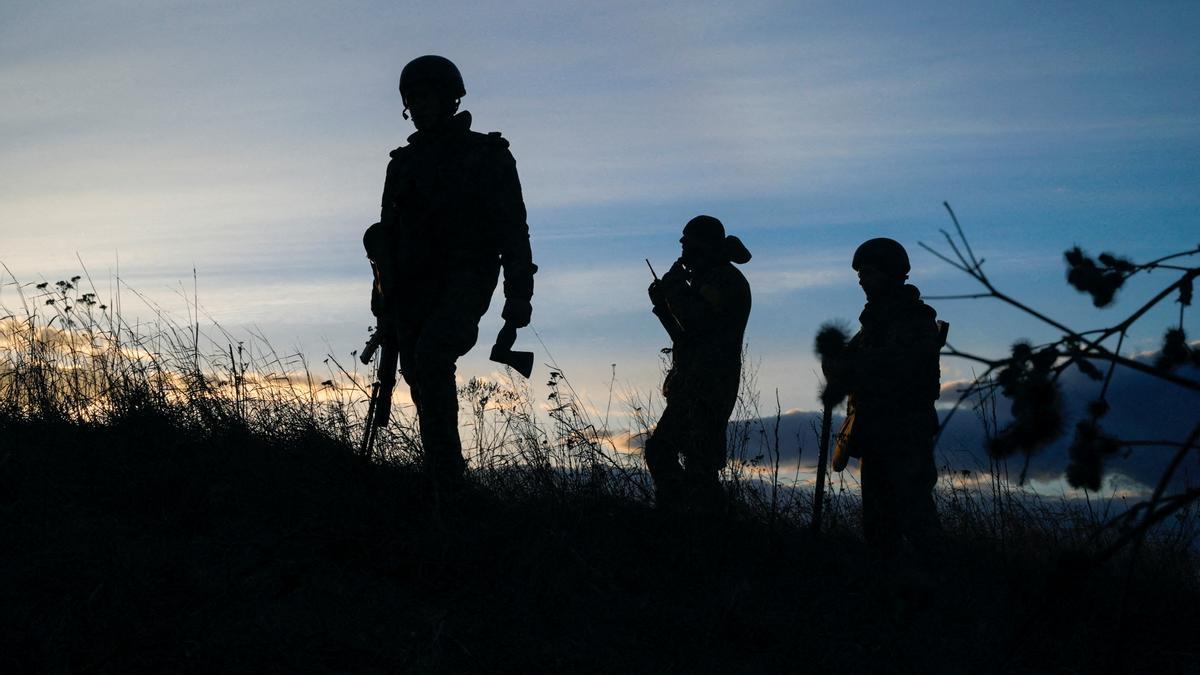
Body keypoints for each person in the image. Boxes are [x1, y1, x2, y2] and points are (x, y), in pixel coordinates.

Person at [364, 55, 536, 486]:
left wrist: (519, 298)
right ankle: (440, 476)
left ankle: (448, 481)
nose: (420, 106)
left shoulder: (487, 155)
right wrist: (381, 301)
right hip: (410, 285)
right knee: (415, 375)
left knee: (432, 357)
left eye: (428, 96)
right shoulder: (401, 164)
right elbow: (388, 236)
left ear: (451, 98)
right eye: (413, 99)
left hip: (466, 277)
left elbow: (513, 231)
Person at [824, 238, 944, 555]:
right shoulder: (876, 322)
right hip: (876, 433)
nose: (861, 279)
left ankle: (942, 586)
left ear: (889, 273)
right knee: (878, 524)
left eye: (867, 271)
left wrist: (847, 364)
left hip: (903, 434)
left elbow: (890, 369)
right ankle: (885, 587)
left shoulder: (912, 320)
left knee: (915, 516)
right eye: (860, 273)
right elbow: (848, 367)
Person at [645, 216, 752, 510]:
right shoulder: (709, 279)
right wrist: (663, 305)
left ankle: (691, 522)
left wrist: (675, 288)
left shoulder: (724, 280)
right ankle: (686, 518)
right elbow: (686, 337)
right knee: (676, 457)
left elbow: (696, 321)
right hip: (694, 383)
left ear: (703, 244)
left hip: (709, 386)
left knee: (691, 463)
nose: (681, 244)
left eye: (687, 239)